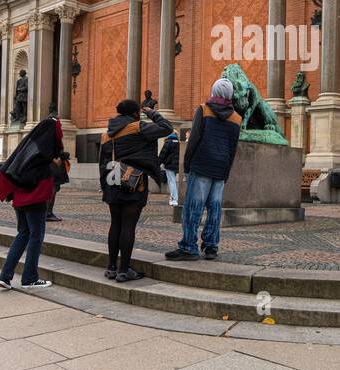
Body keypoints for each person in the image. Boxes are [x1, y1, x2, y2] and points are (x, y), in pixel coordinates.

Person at [167, 78, 241, 261]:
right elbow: (233, 149)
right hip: (221, 168)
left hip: (202, 165)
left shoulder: (204, 109)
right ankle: (210, 246)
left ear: (214, 91)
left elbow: (194, 139)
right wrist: (227, 172)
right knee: (215, 208)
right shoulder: (236, 118)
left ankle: (188, 246)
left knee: (193, 207)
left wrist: (187, 163)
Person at [0, 116, 65, 289]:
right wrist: (55, 165)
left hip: (19, 199)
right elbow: (43, 177)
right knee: (36, 236)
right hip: (34, 199)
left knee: (23, 234)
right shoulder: (43, 155)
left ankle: (5, 276)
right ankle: (29, 278)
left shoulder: (28, 148)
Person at [99, 100, 172, 281]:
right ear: (134, 114)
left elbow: (101, 163)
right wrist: (152, 113)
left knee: (115, 224)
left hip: (112, 181)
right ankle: (124, 270)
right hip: (133, 183)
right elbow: (167, 128)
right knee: (128, 225)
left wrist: (104, 186)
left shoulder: (106, 135)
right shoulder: (138, 127)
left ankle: (111, 268)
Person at [159, 132, 180, 206]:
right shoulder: (178, 142)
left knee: (172, 182)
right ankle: (172, 198)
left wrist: (158, 163)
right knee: (172, 181)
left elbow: (163, 153)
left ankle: (174, 199)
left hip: (169, 165)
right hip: (176, 165)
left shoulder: (168, 142)